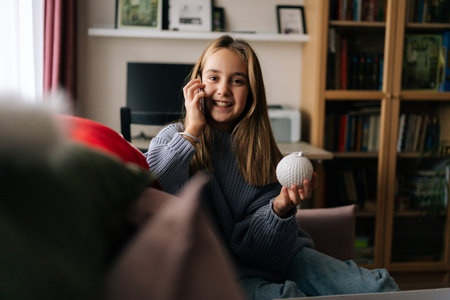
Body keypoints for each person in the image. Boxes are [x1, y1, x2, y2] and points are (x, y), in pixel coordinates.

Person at [145, 35, 399, 299]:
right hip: (219, 273)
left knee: (381, 288)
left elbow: (257, 253)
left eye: (237, 80)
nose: (223, 89)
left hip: (284, 258)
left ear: (252, 90)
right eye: (213, 78)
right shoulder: (174, 137)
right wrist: (193, 130)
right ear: (196, 85)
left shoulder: (262, 153)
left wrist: (280, 208)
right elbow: (157, 180)